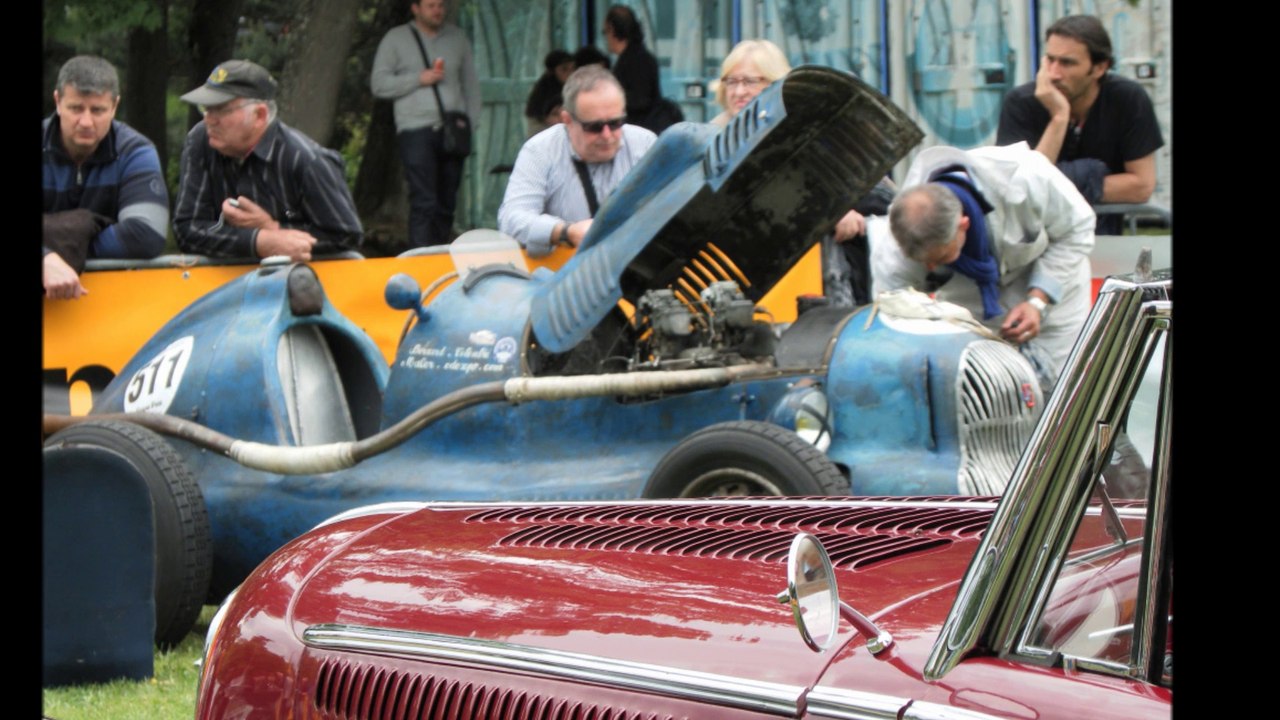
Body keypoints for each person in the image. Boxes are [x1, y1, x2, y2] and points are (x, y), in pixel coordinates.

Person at [871, 142, 1095, 392]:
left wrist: (1038, 302)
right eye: (924, 263)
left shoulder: (1028, 177)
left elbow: (1077, 230)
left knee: (1060, 391)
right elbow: (891, 318)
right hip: (968, 308)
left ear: (963, 225)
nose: (931, 267)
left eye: (941, 256)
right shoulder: (895, 248)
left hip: (1055, 293)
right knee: (980, 396)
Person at [710, 39, 888, 303]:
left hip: (817, 280)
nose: (738, 92)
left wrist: (844, 208)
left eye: (749, 82)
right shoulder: (713, 140)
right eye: (731, 82)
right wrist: (827, 214)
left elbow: (878, 192)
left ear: (776, 83)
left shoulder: (810, 135)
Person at [173, 59, 362, 261]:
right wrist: (258, 241)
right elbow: (187, 229)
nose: (209, 120)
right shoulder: (201, 140)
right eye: (206, 108)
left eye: (221, 109)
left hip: (296, 285)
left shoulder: (307, 160)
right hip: (217, 285)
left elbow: (345, 235)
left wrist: (274, 228)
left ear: (260, 115)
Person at [995, 14, 1163, 234]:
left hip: (1102, 239)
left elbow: (1141, 187)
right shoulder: (1021, 103)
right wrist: (1059, 117)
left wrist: (1056, 182)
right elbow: (1020, 191)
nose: (1053, 74)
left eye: (1066, 63)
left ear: (1099, 68)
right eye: (1050, 59)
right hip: (1034, 241)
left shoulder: (1127, 98)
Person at [43, 55, 169, 300]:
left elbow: (146, 235)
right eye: (76, 108)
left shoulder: (135, 151)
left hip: (112, 305)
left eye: (98, 110)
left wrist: (60, 250)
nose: (86, 121)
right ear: (58, 102)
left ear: (115, 106)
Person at [497, 65, 657, 257]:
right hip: (564, 274)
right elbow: (511, 220)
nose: (607, 136)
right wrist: (565, 232)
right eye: (594, 127)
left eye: (615, 123)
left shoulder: (644, 144)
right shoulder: (540, 150)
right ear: (567, 120)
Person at [371, 0, 481, 248]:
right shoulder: (396, 38)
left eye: (441, 6)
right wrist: (418, 79)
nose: (437, 11)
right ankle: (420, 257)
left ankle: (441, 254)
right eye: (431, 5)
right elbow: (379, 84)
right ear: (415, 8)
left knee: (447, 201)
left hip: (453, 129)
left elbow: (470, 84)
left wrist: (471, 123)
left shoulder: (457, 38)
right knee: (424, 199)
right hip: (415, 129)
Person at [603, 4, 676, 134]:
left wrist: (610, 100)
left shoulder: (637, 59)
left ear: (612, 29)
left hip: (641, 128)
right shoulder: (635, 56)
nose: (605, 39)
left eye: (604, 32)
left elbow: (640, 99)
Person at [524, 49, 573, 137]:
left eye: (572, 69)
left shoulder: (572, 89)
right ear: (552, 71)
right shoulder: (543, 94)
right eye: (564, 69)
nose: (570, 73)